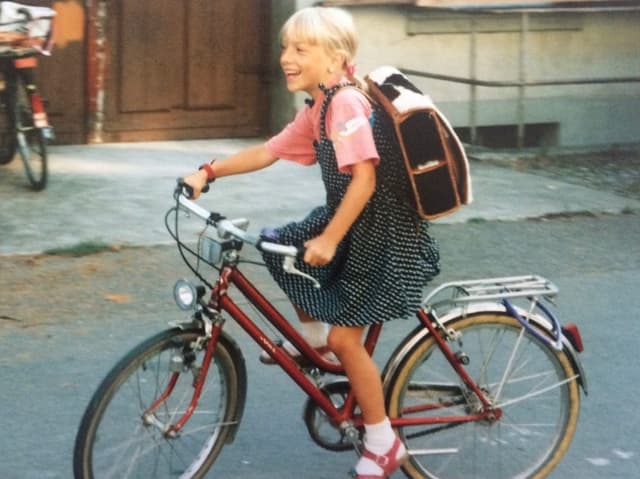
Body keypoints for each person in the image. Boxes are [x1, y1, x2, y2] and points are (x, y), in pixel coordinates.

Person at [183, 6, 440, 478]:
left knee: (347, 336)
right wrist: (208, 171)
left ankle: (383, 442)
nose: (286, 57)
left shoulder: (344, 104)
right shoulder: (319, 107)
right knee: (280, 245)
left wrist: (330, 239)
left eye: (301, 49)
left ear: (335, 57)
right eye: (285, 47)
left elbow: (363, 181)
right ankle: (318, 344)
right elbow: (267, 151)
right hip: (353, 220)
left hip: (383, 232)